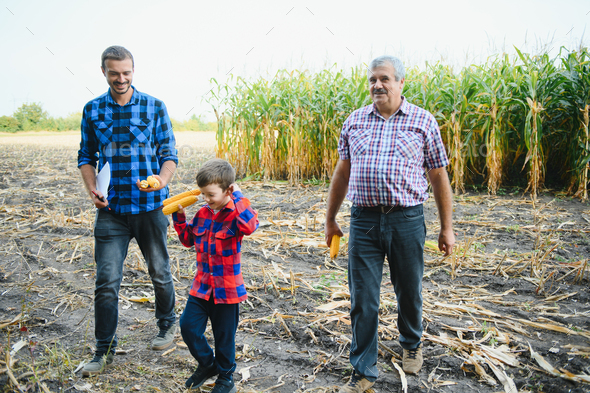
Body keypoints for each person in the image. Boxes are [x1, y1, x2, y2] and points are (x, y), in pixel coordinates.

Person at [324, 55, 455, 392]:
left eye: (384, 79)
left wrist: (446, 227)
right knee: (362, 299)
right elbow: (342, 173)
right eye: (372, 80)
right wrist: (330, 219)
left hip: (406, 219)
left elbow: (439, 177)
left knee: (409, 290)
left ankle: (411, 343)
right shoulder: (354, 121)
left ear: (400, 83)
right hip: (364, 220)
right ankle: (363, 371)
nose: (377, 85)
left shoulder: (423, 122)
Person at [77, 46, 178, 376]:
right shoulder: (92, 110)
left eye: (126, 72)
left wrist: (161, 182)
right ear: (103, 71)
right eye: (114, 73)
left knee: (160, 272)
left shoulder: (154, 106)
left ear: (133, 71)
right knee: (106, 282)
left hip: (150, 208)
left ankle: (167, 325)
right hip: (111, 211)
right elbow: (85, 157)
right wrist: (93, 189)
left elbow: (169, 153)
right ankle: (103, 350)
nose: (121, 79)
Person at [172, 158, 258, 393]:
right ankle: (208, 364)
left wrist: (238, 196)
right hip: (201, 287)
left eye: (210, 195)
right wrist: (179, 217)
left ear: (228, 190)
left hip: (227, 290)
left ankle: (226, 376)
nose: (206, 199)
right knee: (188, 327)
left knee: (224, 338)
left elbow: (250, 226)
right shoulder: (203, 213)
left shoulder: (236, 214)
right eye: (203, 194)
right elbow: (188, 240)